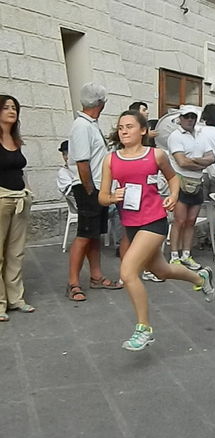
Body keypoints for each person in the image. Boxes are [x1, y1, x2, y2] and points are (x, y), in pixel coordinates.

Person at [99, 110, 215, 351]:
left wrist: (173, 196)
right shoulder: (111, 159)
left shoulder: (156, 155)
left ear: (143, 130)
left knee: (129, 271)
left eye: (129, 126)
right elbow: (101, 196)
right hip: (130, 222)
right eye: (121, 127)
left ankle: (144, 329)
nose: (124, 131)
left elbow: (174, 178)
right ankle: (199, 277)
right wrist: (112, 197)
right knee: (161, 270)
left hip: (154, 220)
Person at [66, 83, 122, 302]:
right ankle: (73, 282)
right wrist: (90, 190)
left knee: (94, 235)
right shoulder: (82, 126)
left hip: (97, 187)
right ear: (101, 103)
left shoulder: (90, 124)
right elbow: (82, 162)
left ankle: (96, 276)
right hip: (88, 188)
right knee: (83, 235)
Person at [0, 94, 35, 321]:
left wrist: (28, 192)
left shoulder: (15, 139)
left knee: (16, 252)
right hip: (1, 199)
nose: (11, 111)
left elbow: (19, 170)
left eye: (14, 107)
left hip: (20, 199)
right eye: (6, 107)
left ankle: (16, 298)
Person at [167, 106, 215, 269]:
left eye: (192, 117)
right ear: (180, 118)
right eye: (186, 117)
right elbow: (181, 162)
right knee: (179, 220)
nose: (189, 119)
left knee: (191, 221)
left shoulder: (201, 135)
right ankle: (174, 255)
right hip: (180, 181)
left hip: (197, 181)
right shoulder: (175, 136)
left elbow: (212, 158)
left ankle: (186, 254)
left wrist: (192, 160)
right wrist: (201, 162)